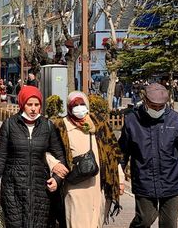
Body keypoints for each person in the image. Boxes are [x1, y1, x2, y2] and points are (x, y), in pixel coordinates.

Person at [0, 85, 66, 227]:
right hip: (13, 189)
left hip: (41, 190)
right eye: (29, 105)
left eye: (37, 104)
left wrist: (57, 179)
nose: (33, 109)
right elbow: (0, 158)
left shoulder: (48, 126)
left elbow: (60, 157)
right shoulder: (9, 125)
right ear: (22, 104)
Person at [119, 83, 178, 228]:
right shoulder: (132, 120)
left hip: (171, 180)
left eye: (160, 107)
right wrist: (118, 177)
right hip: (144, 180)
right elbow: (122, 153)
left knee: (169, 224)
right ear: (145, 101)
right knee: (145, 219)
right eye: (154, 106)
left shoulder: (175, 120)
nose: (157, 110)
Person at [48, 91, 125, 228]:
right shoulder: (60, 125)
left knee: (95, 222)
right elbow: (47, 150)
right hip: (75, 185)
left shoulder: (99, 124)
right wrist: (54, 164)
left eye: (81, 104)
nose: (79, 108)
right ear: (68, 107)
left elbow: (113, 154)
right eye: (74, 105)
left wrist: (120, 179)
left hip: (98, 185)